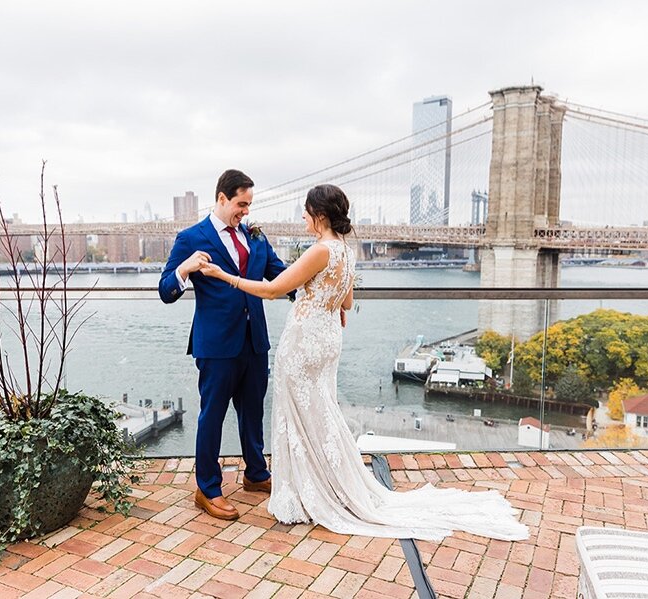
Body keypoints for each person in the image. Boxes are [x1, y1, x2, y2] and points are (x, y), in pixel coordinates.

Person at [200, 184, 528, 541]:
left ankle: (308, 491)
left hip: (303, 343)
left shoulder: (320, 250)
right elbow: (345, 301)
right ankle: (330, 483)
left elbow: (274, 289)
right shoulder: (346, 251)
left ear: (320, 215)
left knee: (299, 416)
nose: (304, 218)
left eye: (307, 212)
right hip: (327, 341)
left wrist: (224, 276)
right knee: (321, 413)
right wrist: (326, 304)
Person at [158, 169, 288, 521]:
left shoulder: (255, 238)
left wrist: (323, 294)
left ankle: (256, 474)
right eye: (240, 204)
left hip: (254, 341)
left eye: (248, 205)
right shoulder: (191, 238)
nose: (245, 212)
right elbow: (165, 290)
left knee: (253, 411)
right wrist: (184, 269)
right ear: (221, 198)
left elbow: (283, 277)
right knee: (211, 416)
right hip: (216, 345)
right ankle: (208, 488)